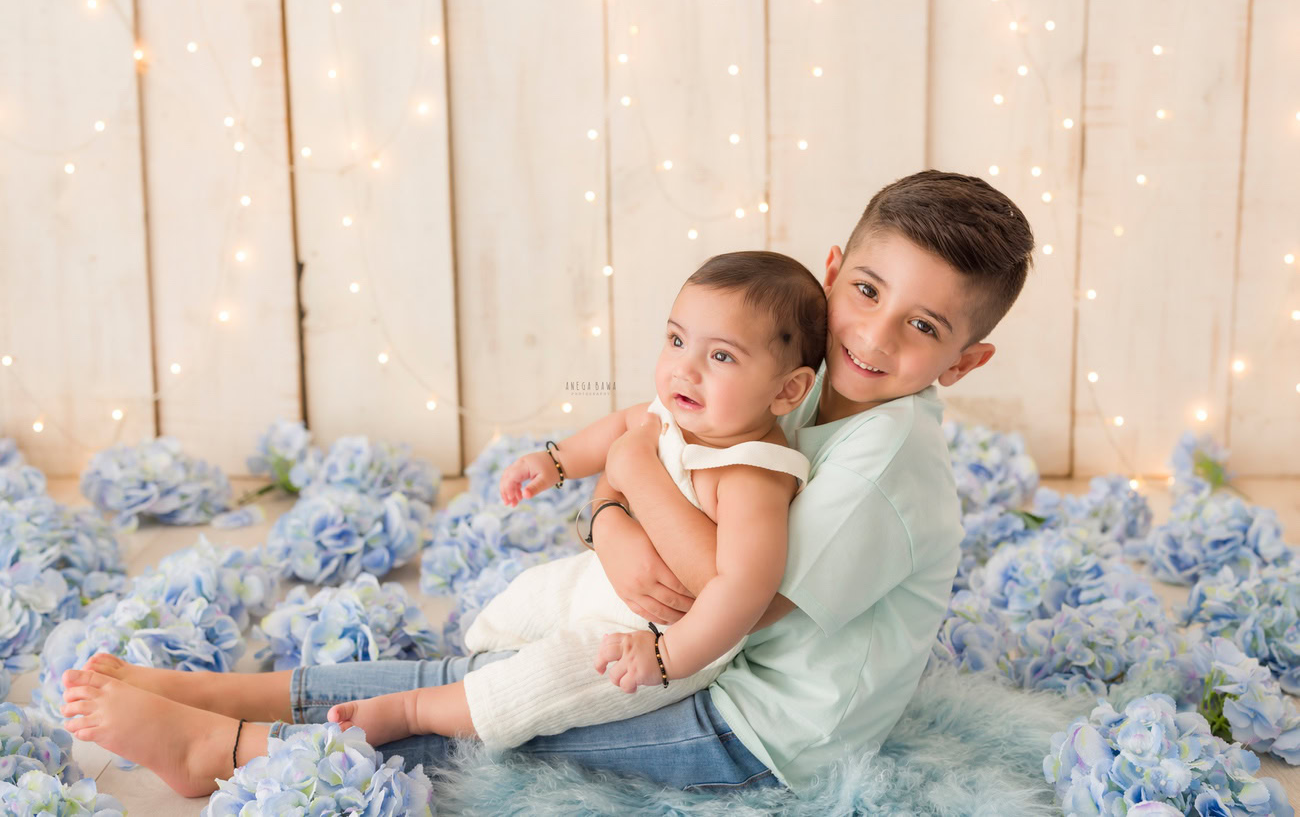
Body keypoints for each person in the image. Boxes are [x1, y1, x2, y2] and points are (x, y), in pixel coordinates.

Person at [57, 170, 1034, 799]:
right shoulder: (797, 372)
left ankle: (226, 753)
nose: (873, 334)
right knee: (468, 680)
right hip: (684, 653)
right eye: (866, 291)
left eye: (922, 327)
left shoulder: (884, 469)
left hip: (754, 723)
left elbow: (723, 590)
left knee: (502, 714)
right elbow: (652, 439)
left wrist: (629, 469)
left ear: (963, 361)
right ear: (832, 271)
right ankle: (214, 692)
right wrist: (608, 513)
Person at [321, 250, 826, 749]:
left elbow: (743, 589)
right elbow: (620, 425)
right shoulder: (678, 414)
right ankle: (480, 656)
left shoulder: (752, 475)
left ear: (788, 391)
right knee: (526, 596)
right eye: (676, 341)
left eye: (721, 356)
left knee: (539, 684)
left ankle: (415, 711)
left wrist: (665, 656)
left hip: (648, 636)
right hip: (597, 576)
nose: (683, 370)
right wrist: (557, 461)